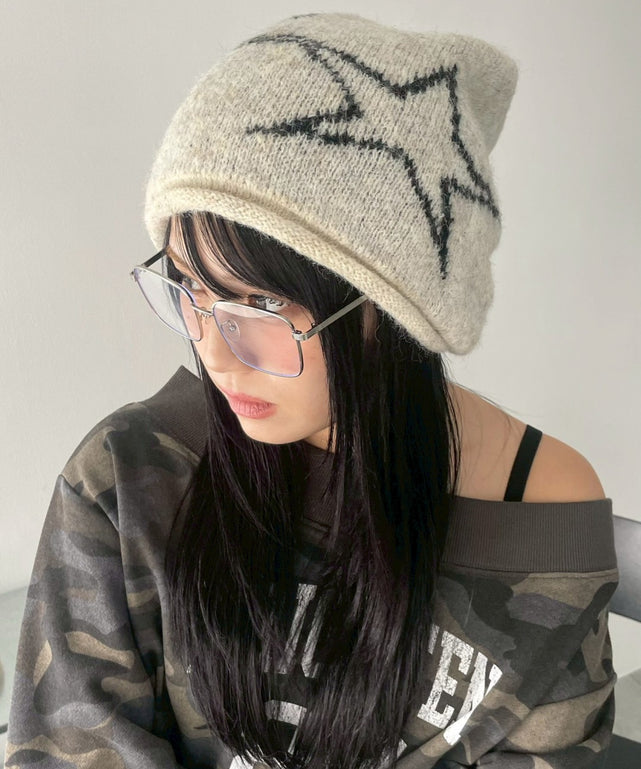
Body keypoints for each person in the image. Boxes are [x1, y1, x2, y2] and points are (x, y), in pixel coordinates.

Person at [5, 12, 617, 769]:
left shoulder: (538, 514)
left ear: (394, 308)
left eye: (260, 305)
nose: (214, 353)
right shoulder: (131, 479)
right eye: (189, 288)